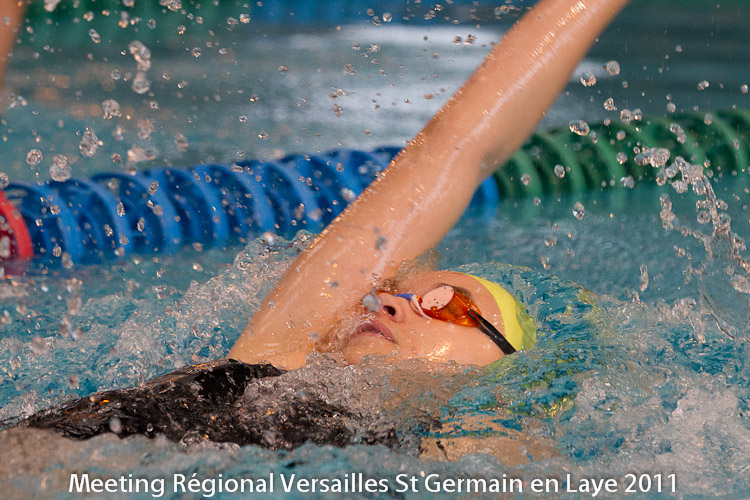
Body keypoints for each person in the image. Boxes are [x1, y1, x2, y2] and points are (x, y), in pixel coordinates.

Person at [21, 0, 629, 451]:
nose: (389, 302)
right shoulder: (274, 361)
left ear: (504, 371)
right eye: (394, 291)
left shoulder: (478, 456)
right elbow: (457, 148)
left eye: (446, 304)